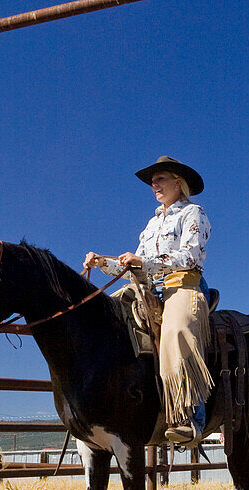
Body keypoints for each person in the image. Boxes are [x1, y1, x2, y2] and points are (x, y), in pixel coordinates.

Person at [84, 156, 213, 445]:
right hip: (145, 286)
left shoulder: (193, 213)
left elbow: (191, 256)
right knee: (102, 312)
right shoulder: (152, 222)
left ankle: (190, 417)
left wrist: (144, 261)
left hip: (182, 284)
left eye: (160, 178)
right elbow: (131, 266)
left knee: (177, 331)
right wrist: (103, 262)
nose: (154, 184)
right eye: (153, 181)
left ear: (178, 183)